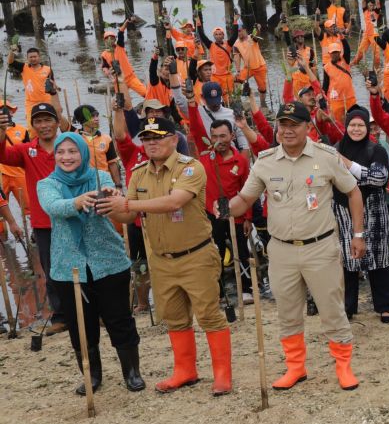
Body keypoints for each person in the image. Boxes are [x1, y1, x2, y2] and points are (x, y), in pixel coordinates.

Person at [223, 102, 367, 392]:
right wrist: (224, 208)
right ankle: (295, 367)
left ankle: (343, 367)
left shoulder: (326, 157)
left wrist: (358, 234)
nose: (287, 130)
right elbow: (244, 200)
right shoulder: (264, 161)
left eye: (294, 124)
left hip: (320, 247)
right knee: (287, 312)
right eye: (283, 124)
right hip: (282, 251)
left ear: (307, 127)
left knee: (331, 309)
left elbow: (353, 191)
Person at [98, 117, 231, 396]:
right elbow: (129, 215)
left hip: (196, 255)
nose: (151, 143)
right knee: (173, 317)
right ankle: (185, 371)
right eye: (146, 138)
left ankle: (222, 375)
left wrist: (127, 201)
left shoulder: (190, 167)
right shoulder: (138, 173)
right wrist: (109, 203)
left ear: (174, 139)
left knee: (209, 315)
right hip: (160, 259)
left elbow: (174, 202)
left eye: (157, 137)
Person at [41, 133, 143, 395]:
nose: (66, 157)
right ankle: (92, 375)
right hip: (69, 268)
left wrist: (109, 198)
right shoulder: (47, 183)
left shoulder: (101, 176)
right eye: (61, 152)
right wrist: (77, 201)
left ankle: (132, 372)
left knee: (119, 318)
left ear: (83, 154)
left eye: (73, 151)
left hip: (108, 261)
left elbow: (114, 204)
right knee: (80, 325)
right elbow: (54, 206)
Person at [0, 100, 71, 333]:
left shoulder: (69, 147)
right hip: (43, 222)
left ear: (56, 122)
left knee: (83, 263)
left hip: (73, 217)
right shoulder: (26, 150)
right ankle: (60, 318)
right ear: (33, 126)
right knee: (52, 271)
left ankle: (92, 312)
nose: (43, 125)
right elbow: (3, 156)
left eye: (48, 120)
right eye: (38, 121)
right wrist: (1, 133)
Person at [335, 106, 389, 323]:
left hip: (374, 211)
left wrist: (348, 165)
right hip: (343, 210)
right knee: (348, 259)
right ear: (346, 126)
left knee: (380, 258)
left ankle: (384, 306)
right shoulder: (336, 148)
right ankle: (348, 306)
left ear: (367, 128)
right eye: (352, 125)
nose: (356, 129)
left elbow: (380, 178)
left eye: (361, 125)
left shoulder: (376, 150)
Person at [197, 119, 252, 310]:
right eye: (214, 136)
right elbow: (196, 124)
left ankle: (246, 288)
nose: (219, 140)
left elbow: (248, 191)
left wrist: (247, 218)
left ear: (232, 136)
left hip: (235, 212)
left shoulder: (242, 161)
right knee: (215, 253)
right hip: (212, 214)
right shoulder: (205, 157)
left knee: (242, 251)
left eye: (223, 136)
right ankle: (219, 292)